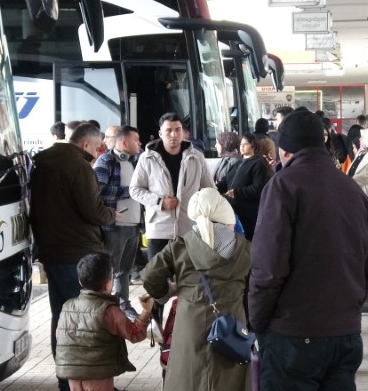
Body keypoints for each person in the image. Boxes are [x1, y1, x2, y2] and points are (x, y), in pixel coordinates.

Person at [249, 107, 368, 391]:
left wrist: (258, 323)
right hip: (344, 334)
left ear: (284, 150)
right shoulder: (351, 188)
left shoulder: (283, 185)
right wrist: (347, 309)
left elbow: (267, 269)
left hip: (292, 335)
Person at [141, 188, 252, 391]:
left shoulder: (180, 245)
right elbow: (258, 288)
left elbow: (151, 278)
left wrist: (173, 289)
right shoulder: (243, 248)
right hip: (232, 333)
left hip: (189, 333)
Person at [30, 122, 129, 391]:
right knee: (87, 318)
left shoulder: (43, 162)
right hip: (78, 252)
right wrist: (111, 214)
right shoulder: (78, 166)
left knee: (61, 317)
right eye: (98, 147)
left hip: (53, 251)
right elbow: (92, 209)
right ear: (86, 144)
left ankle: (66, 382)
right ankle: (92, 385)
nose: (99, 152)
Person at [56, 252, 152, 391]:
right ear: (109, 283)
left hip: (72, 373)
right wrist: (145, 313)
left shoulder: (67, 306)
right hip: (97, 374)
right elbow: (135, 334)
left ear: (81, 280)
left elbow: (59, 336)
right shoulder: (109, 310)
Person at [129, 112, 214, 260]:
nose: (173, 134)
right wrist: (159, 202)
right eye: (168, 130)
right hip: (158, 229)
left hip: (189, 228)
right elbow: (135, 189)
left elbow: (210, 190)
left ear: (184, 133)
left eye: (178, 129)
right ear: (160, 133)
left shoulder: (196, 157)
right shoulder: (147, 158)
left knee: (189, 280)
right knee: (156, 280)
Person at [94, 125, 143, 319]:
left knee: (124, 271)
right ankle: (107, 308)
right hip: (114, 226)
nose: (139, 144)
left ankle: (123, 305)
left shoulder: (136, 161)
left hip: (134, 224)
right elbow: (98, 191)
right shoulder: (106, 161)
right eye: (136, 140)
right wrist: (132, 190)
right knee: (111, 270)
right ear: (124, 142)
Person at [217, 133, 271, 240]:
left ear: (253, 146)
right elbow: (226, 181)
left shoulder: (258, 164)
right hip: (233, 209)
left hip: (248, 212)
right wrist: (213, 188)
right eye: (241, 144)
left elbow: (257, 188)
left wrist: (236, 193)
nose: (241, 146)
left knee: (247, 239)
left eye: (245, 144)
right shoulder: (238, 163)